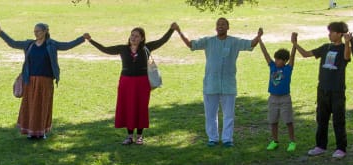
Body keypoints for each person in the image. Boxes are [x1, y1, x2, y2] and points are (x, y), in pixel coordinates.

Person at [89, 25, 177, 145]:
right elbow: (105, 49)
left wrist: (172, 29)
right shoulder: (123, 48)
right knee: (128, 107)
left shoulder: (147, 48)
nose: (133, 38)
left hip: (142, 82)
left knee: (141, 107)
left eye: (136, 36)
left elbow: (162, 40)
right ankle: (130, 136)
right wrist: (90, 40)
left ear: (142, 38)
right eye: (132, 35)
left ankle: (140, 136)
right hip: (126, 82)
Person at [180, 18, 261, 148]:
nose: (220, 26)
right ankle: (212, 138)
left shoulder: (234, 41)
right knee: (210, 114)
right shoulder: (208, 41)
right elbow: (191, 45)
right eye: (218, 24)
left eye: (223, 24)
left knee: (229, 114)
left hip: (228, 85)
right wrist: (179, 31)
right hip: (211, 84)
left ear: (228, 27)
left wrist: (258, 36)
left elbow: (250, 44)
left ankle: (227, 139)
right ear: (215, 27)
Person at [0, 23, 86, 140]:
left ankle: (41, 132)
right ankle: (31, 132)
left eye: (38, 31)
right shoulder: (29, 44)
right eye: (34, 31)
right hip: (30, 81)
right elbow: (13, 43)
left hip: (46, 81)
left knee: (43, 106)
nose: (36, 33)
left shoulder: (52, 44)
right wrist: (0, 31)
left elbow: (67, 45)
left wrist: (82, 38)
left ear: (45, 31)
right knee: (30, 106)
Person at [298, 22, 353, 159]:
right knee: (321, 119)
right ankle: (320, 146)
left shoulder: (344, 48)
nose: (329, 34)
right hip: (322, 89)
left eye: (332, 32)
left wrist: (347, 43)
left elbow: (347, 57)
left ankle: (341, 148)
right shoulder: (325, 47)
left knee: (338, 120)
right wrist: (295, 43)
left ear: (339, 34)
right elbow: (306, 54)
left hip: (337, 90)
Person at [259, 37, 298, 151]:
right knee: (273, 121)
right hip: (273, 98)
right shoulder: (272, 66)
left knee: (288, 121)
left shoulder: (288, 69)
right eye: (275, 59)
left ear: (285, 60)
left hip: (285, 98)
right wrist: (260, 40)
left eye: (279, 60)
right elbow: (265, 53)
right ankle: (275, 141)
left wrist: (294, 44)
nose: (276, 61)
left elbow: (293, 56)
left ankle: (292, 142)